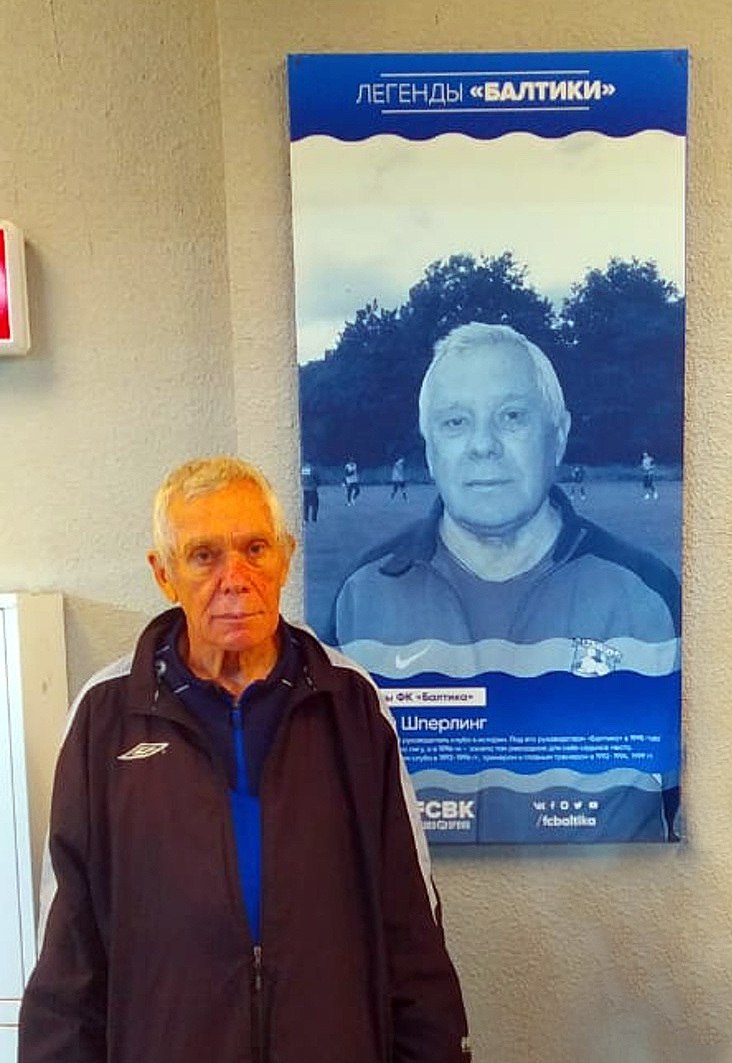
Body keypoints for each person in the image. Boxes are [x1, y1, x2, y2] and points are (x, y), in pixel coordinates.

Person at [19, 456, 471, 1063]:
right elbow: (68, 952)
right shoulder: (105, 717)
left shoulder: (351, 704)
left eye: (255, 549)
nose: (235, 578)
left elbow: (410, 924)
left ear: (284, 557)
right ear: (164, 574)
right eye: (204, 556)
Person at [332, 324, 681, 842]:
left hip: (604, 899)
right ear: (429, 450)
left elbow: (689, 794)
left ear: (558, 435)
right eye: (455, 422)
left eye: (512, 417)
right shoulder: (361, 596)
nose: (483, 446)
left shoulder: (647, 594)